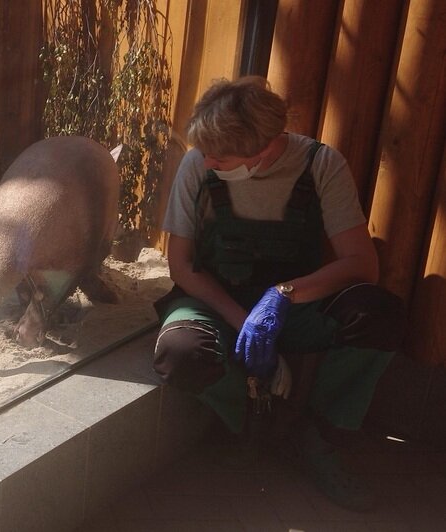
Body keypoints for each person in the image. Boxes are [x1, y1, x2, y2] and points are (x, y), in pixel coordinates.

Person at [153, 76, 405, 512]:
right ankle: (283, 426)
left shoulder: (321, 165)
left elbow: (362, 265)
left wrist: (282, 296)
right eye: (205, 153)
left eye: (221, 157)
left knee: (378, 314)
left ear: (266, 149)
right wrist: (243, 321)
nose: (207, 162)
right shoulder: (198, 165)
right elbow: (183, 267)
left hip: (294, 303)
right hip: (215, 298)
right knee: (180, 354)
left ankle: (323, 437)